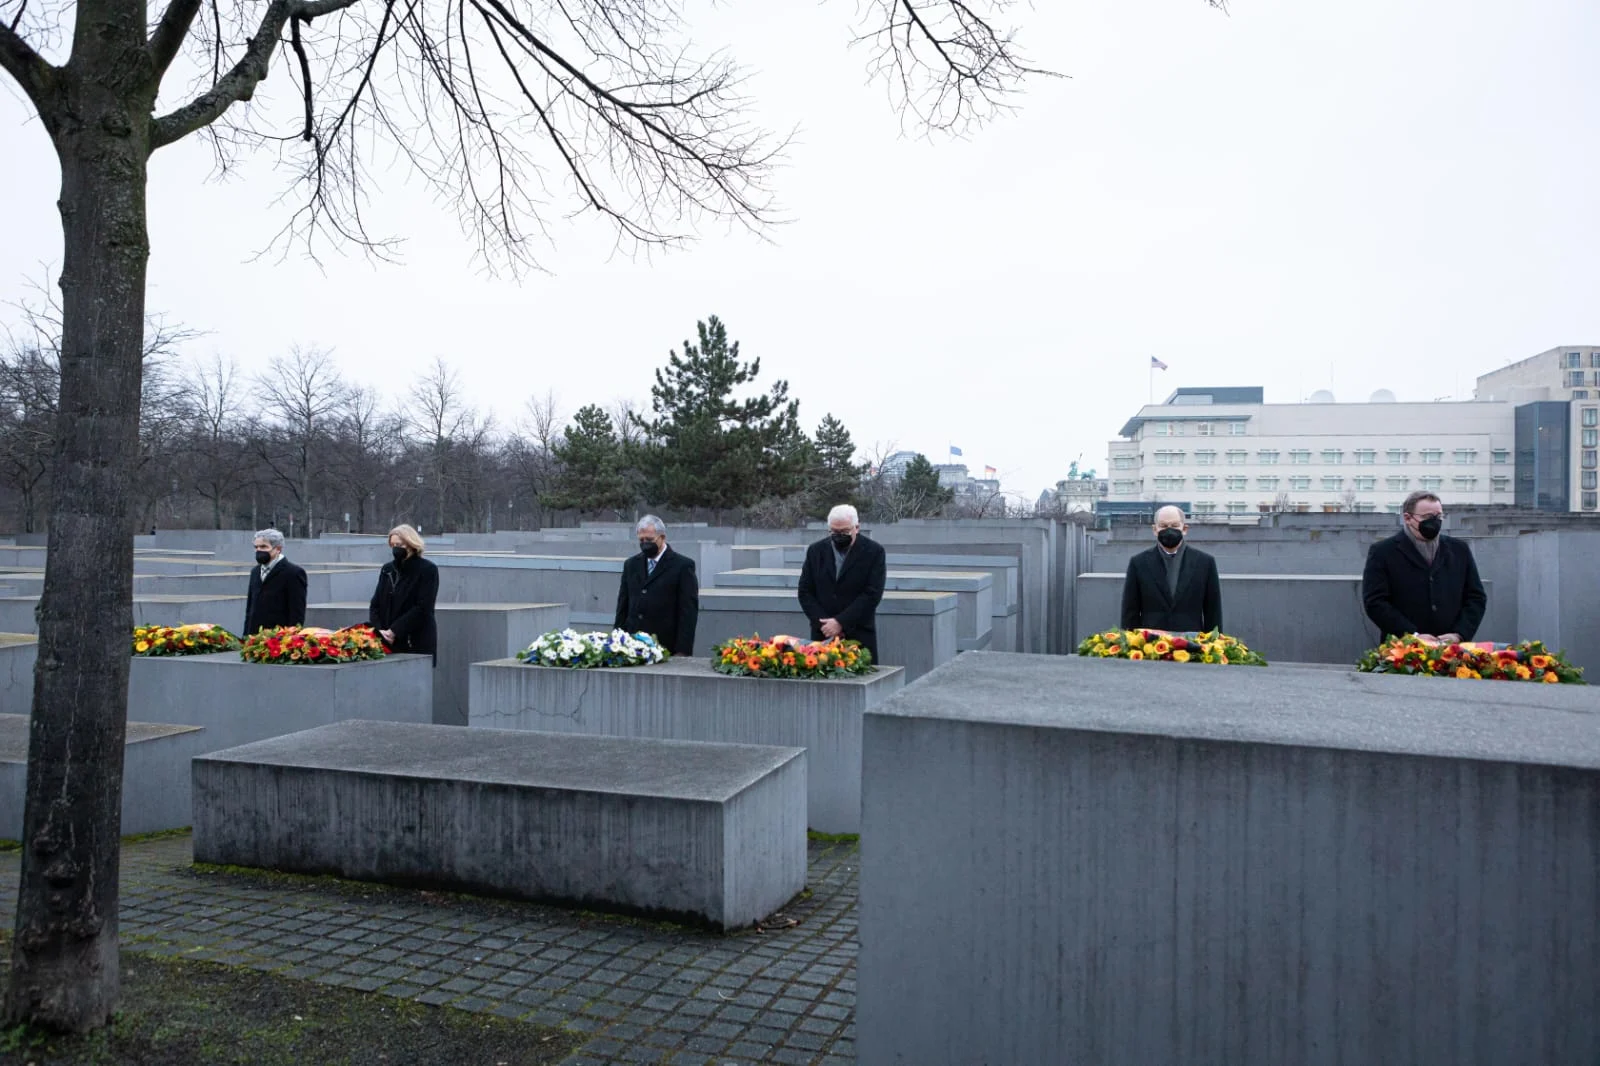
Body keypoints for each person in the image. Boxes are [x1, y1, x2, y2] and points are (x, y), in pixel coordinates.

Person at [1362, 490, 1486, 643]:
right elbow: (1375, 602)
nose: (1435, 521)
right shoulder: (1383, 552)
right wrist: (1411, 635)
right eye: (1427, 517)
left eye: (1439, 516)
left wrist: (1459, 634)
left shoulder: (1459, 550)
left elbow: (1476, 597)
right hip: (1402, 651)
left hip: (1451, 648)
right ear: (1408, 518)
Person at [798, 504, 887, 662]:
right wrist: (825, 625)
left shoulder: (874, 552)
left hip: (859, 634)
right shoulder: (815, 551)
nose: (839, 536)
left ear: (856, 528)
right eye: (834, 531)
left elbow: (872, 594)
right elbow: (805, 592)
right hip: (822, 635)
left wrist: (840, 622)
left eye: (845, 531)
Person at [1119, 505, 1223, 633]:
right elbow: (1130, 611)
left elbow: (1213, 611)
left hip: (1193, 645)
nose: (1169, 530)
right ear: (1155, 529)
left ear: (1184, 529)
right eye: (1163, 526)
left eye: (1174, 526)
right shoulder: (1138, 563)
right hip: (1150, 646)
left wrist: (1215, 645)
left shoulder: (1205, 562)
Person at [613, 515, 699, 656]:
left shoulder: (682, 566)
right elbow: (623, 605)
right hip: (632, 645)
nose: (645, 543)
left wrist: (683, 651)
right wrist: (617, 640)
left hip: (665, 645)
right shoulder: (631, 565)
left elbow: (688, 612)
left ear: (662, 537)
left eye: (650, 540)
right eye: (641, 540)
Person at [369, 523, 440, 660]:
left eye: (400, 545)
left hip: (415, 640)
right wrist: (380, 632)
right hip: (387, 641)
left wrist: (394, 631)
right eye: (393, 545)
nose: (396, 549)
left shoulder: (427, 569)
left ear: (412, 545)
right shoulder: (387, 569)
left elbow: (423, 607)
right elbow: (375, 604)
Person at [243, 528, 307, 636]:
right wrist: (245, 636)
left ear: (278, 549)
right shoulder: (255, 572)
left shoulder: (293, 573)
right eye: (256, 547)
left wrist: (291, 640)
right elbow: (250, 609)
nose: (259, 550)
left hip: (278, 641)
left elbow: (297, 612)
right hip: (254, 639)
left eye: (263, 547)